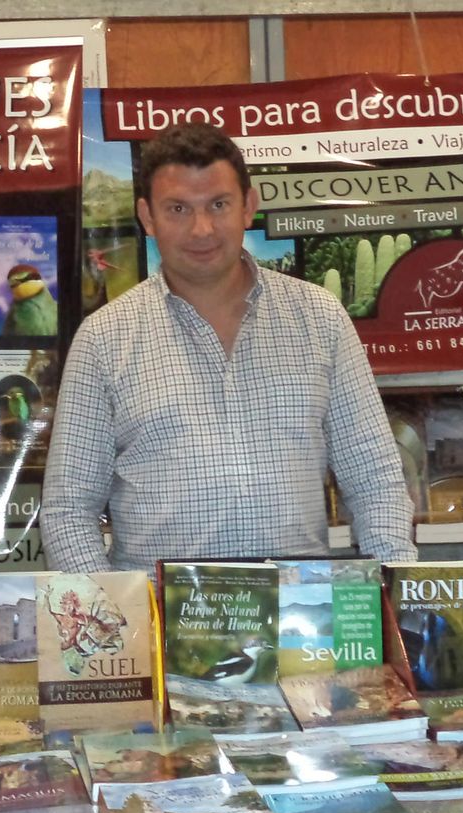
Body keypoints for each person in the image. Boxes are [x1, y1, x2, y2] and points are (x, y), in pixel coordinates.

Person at [41, 123, 415, 573]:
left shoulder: (319, 318)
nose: (202, 229)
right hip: (165, 628)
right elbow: (68, 513)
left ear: (248, 207)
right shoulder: (104, 339)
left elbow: (375, 480)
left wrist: (394, 597)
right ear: (147, 217)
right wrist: (119, 626)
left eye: (218, 205)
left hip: (299, 624)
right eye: (178, 208)